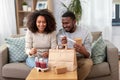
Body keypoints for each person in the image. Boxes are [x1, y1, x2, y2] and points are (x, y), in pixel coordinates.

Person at [57, 11, 93, 80]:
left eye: (67, 23)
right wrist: (63, 45)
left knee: (88, 63)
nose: (64, 26)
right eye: (63, 23)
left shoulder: (85, 32)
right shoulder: (61, 33)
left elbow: (88, 55)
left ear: (74, 22)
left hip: (80, 58)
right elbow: (59, 54)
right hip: (66, 59)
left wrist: (82, 51)